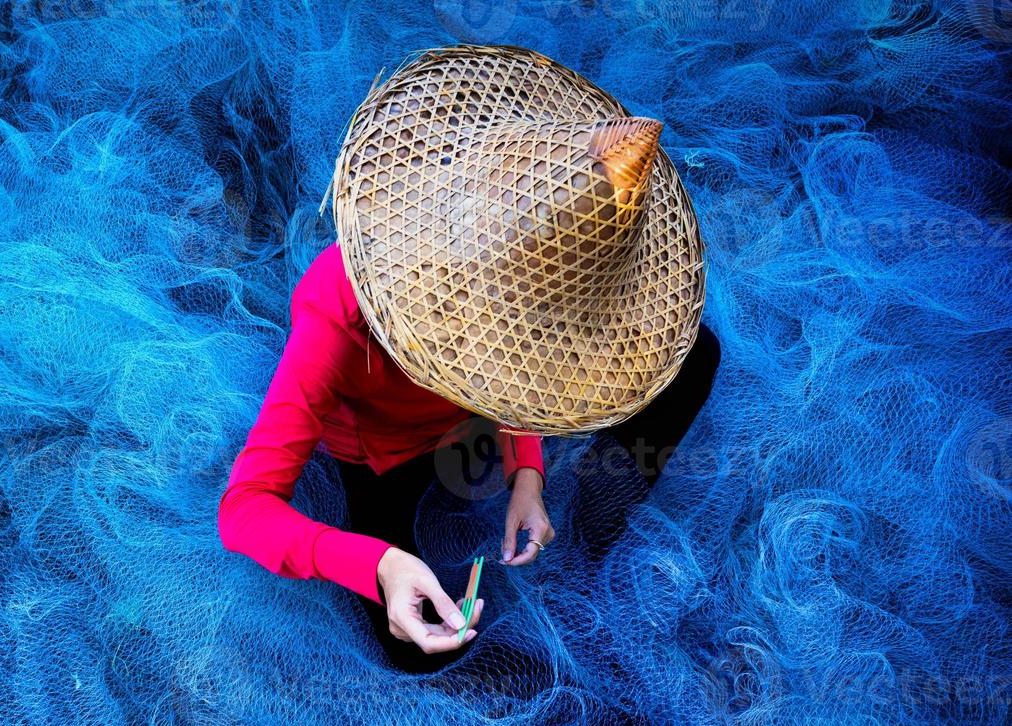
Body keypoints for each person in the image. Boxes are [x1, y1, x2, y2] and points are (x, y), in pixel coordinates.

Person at [217, 44, 718, 673]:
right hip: (388, 452)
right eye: (484, 316)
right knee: (422, 642)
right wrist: (379, 564)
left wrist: (527, 473)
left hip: (482, 409)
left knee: (692, 354)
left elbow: (523, 356)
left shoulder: (531, 316)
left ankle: (601, 495)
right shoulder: (335, 306)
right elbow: (245, 509)